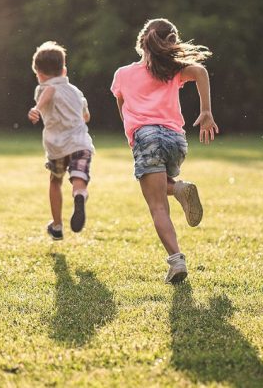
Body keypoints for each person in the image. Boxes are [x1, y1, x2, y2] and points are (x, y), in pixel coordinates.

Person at [111, 18, 219, 283]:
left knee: (157, 206)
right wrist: (205, 111)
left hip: (146, 137)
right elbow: (201, 73)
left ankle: (176, 261)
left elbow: (122, 107)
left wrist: (132, 133)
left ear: (141, 42)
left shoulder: (123, 74)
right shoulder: (171, 69)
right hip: (176, 140)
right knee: (163, 187)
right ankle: (178, 189)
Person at [27, 41, 95, 240]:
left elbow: (50, 91)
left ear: (38, 73)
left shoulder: (43, 88)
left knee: (55, 181)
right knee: (78, 177)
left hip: (57, 147)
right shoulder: (76, 92)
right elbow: (86, 116)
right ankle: (80, 195)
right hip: (81, 143)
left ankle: (57, 226)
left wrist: (37, 108)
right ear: (64, 70)